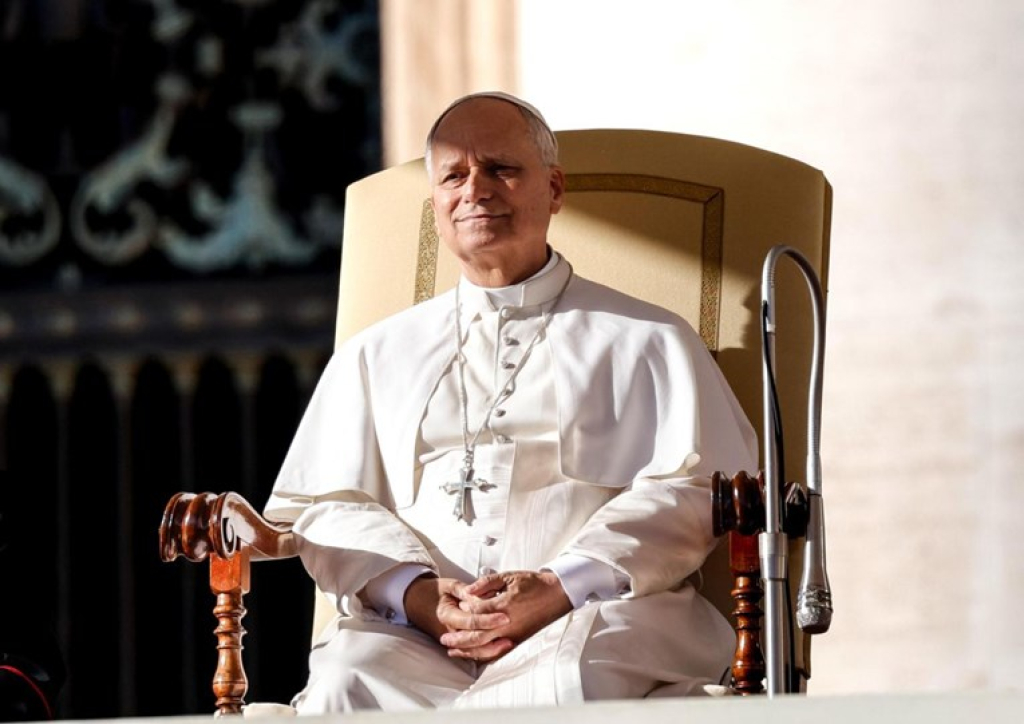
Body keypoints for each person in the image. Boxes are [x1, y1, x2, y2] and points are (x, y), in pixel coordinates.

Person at [264, 91, 757, 712]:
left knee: (564, 682)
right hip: (418, 633)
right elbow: (328, 506)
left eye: (500, 168)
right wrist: (417, 595)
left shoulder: (649, 339)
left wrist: (560, 585)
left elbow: (695, 490)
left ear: (554, 189)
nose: (476, 189)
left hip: (590, 615)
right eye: (454, 176)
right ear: (436, 206)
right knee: (346, 679)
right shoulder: (374, 353)